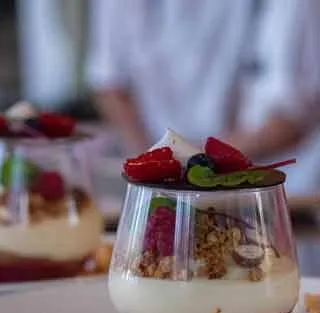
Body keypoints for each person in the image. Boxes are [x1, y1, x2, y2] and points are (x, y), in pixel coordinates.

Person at [85, 0, 320, 196]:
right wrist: (154, 167)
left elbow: (291, 115)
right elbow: (111, 83)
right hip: (164, 182)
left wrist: (194, 165)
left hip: (273, 190)